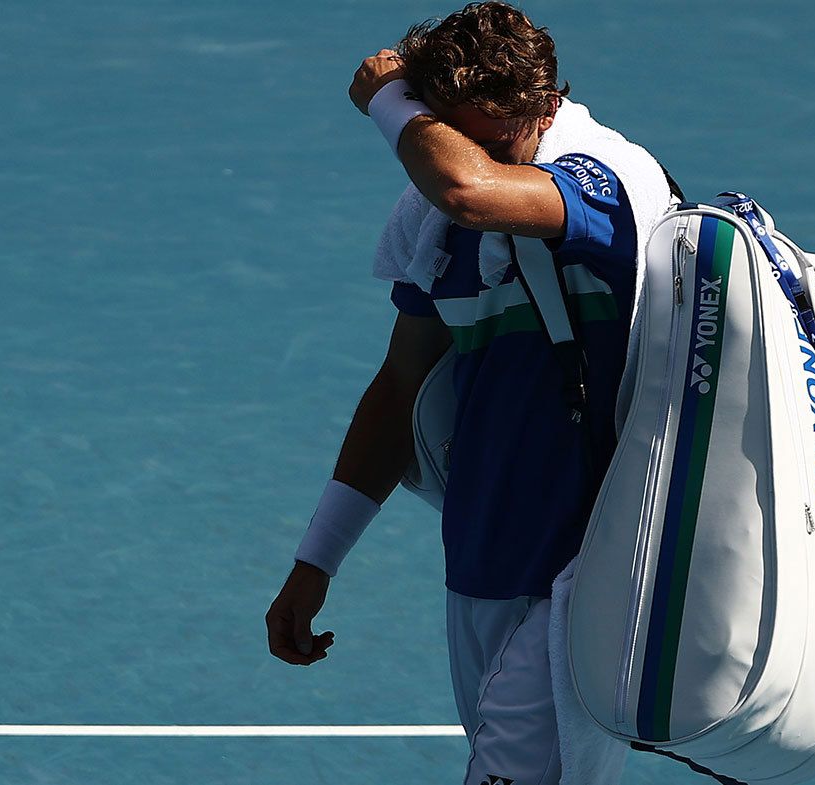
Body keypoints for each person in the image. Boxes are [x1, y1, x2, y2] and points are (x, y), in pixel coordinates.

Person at [266, 3, 679, 783]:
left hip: (590, 566)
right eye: (452, 130)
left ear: (547, 107)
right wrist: (315, 560)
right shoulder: (433, 227)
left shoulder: (603, 181)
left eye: (496, 137)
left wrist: (387, 100)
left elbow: (466, 186)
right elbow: (399, 389)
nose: (467, 152)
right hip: (482, 558)